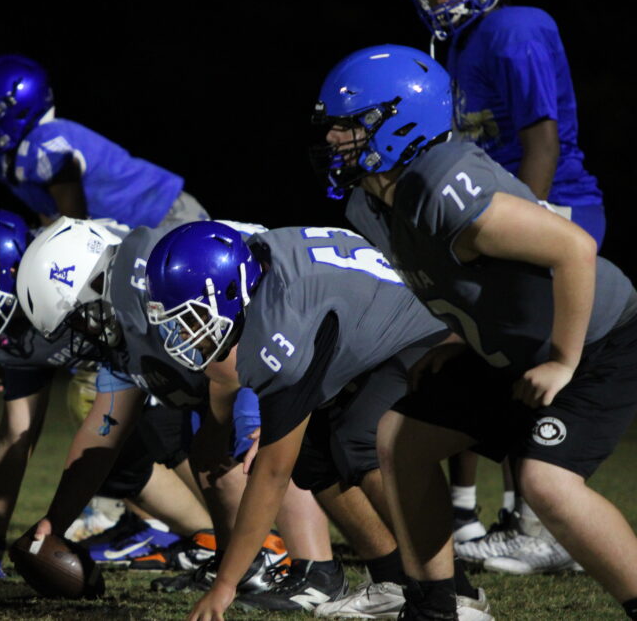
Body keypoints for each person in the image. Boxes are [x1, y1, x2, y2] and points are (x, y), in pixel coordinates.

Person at [312, 43, 637, 620]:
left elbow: (575, 249)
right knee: (400, 438)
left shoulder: (448, 185)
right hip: (517, 350)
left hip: (595, 338)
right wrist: (458, 339)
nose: (336, 140)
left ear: (403, 120)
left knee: (547, 483)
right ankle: (443, 604)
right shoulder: (372, 204)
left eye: (351, 126)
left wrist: (562, 359)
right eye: (333, 128)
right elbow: (457, 282)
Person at [147, 222, 488, 620]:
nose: (186, 332)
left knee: (360, 439)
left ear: (228, 290)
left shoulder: (281, 317)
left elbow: (273, 473)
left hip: (430, 333)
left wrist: (224, 585)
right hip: (381, 332)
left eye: (191, 317)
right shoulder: (260, 272)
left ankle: (452, 593)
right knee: (312, 450)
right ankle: (394, 579)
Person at [405, 0, 608, 569]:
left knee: (526, 365)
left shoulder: (516, 28)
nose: (441, 0)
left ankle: (538, 524)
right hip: (491, 211)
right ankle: (466, 516)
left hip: (550, 205)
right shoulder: (459, 45)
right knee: (463, 344)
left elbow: (540, 138)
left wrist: (526, 221)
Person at [16, 217, 336, 603]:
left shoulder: (158, 287)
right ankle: (246, 559)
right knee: (206, 451)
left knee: (264, 443)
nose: (84, 333)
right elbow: (105, 425)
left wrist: (257, 422)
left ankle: (311, 568)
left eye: (79, 319)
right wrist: (57, 521)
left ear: (97, 283)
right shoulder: (127, 317)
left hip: (291, 335)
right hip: (256, 355)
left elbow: (248, 347)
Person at [0, 207, 215, 577]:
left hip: (175, 320)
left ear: (9, 269)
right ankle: (209, 535)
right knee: (104, 455)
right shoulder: (12, 327)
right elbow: (18, 431)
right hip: (124, 365)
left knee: (155, 416)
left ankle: (252, 538)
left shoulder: (72, 274)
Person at [0, 55, 209, 227]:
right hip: (136, 231)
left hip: (165, 214)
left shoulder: (44, 141)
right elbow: (52, 222)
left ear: (15, 110)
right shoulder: (8, 163)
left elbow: (75, 227)